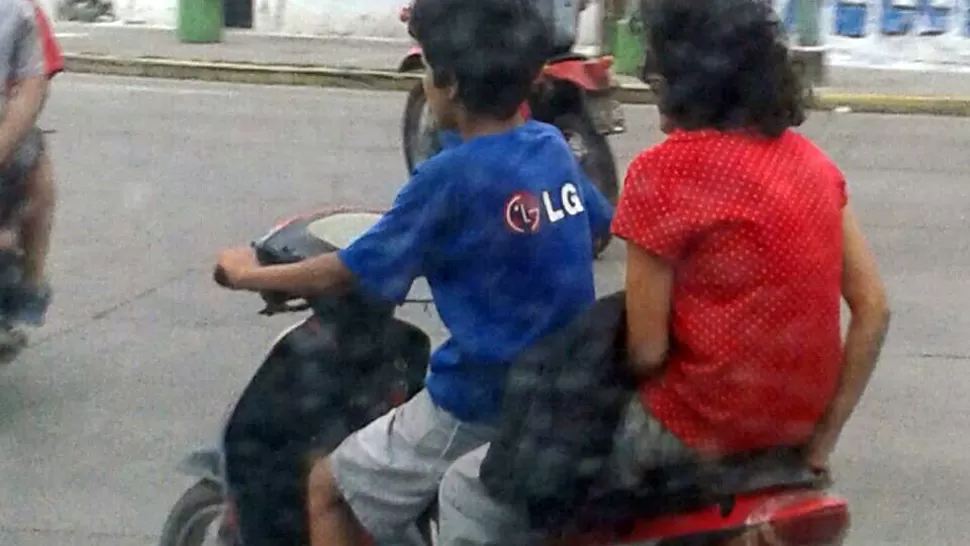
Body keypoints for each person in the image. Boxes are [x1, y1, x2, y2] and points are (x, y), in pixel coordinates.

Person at [435, 0, 891, 542]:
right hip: (793, 434)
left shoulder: (665, 171)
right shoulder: (815, 165)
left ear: (682, 78)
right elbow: (874, 310)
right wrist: (822, 439)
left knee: (494, 484)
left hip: (693, 431)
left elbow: (646, 352)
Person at [212, 0, 614, 543]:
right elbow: (596, 226)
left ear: (447, 84)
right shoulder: (549, 147)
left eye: (426, 68)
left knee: (329, 486)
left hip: (482, 399)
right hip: (561, 388)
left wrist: (245, 275)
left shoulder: (449, 176)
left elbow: (346, 271)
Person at [0, 0, 58, 327]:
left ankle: (31, 284)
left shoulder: (17, 10)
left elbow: (35, 85)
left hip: (4, 131)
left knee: (36, 164)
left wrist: (4, 143)